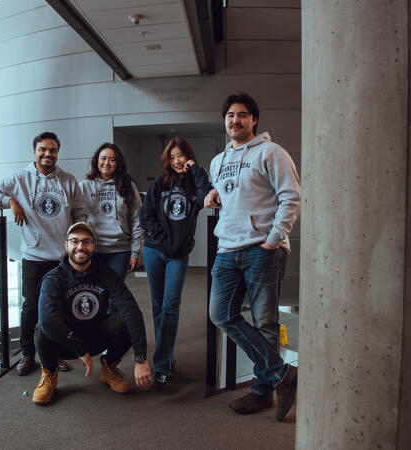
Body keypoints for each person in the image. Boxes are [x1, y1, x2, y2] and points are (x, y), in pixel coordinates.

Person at [205, 92, 300, 421]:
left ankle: (262, 392)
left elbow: (291, 196)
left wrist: (273, 240)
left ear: (253, 120)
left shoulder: (271, 152)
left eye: (242, 114)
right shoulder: (218, 161)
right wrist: (214, 192)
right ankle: (281, 373)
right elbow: (230, 192)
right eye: (230, 115)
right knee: (221, 314)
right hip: (227, 250)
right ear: (225, 121)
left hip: (262, 249)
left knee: (265, 323)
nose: (235, 120)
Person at [0, 132, 87, 375]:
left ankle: (56, 352)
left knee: (59, 308)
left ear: (57, 153)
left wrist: (75, 242)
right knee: (31, 307)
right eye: (43, 150)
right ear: (34, 152)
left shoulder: (69, 181)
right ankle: (28, 354)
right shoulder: (20, 178)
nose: (47, 154)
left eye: (52, 150)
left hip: (62, 258)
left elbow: (80, 213)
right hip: (34, 256)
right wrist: (10, 201)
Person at [32, 222, 152, 405]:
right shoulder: (53, 278)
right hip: (66, 342)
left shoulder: (106, 274)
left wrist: (140, 358)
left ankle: (109, 367)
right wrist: (80, 349)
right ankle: (49, 374)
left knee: (126, 320)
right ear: (66, 245)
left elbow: (131, 310)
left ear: (94, 246)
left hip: (95, 337)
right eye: (75, 241)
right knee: (42, 328)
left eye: (86, 241)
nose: (80, 246)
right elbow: (49, 320)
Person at [140, 137, 212, 388]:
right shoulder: (160, 184)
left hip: (178, 256)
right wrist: (162, 239)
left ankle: (160, 364)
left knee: (171, 306)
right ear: (167, 161)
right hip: (154, 252)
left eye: (181, 155)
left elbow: (207, 197)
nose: (177, 161)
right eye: (172, 157)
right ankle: (166, 358)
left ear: (188, 156)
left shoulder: (195, 186)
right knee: (158, 306)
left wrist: (195, 168)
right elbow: (146, 216)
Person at [79, 143, 143, 283]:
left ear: (118, 163)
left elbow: (137, 219)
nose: (106, 163)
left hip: (119, 251)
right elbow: (76, 216)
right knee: (95, 294)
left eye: (112, 159)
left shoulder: (128, 185)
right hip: (92, 249)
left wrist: (135, 251)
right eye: (103, 158)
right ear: (97, 161)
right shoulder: (85, 185)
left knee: (114, 295)